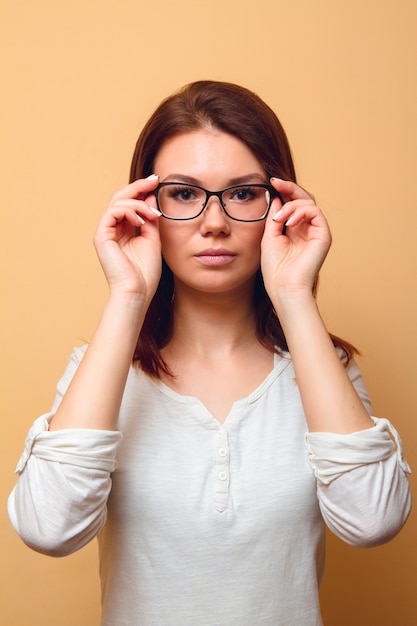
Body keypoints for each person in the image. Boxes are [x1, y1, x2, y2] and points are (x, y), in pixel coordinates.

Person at [8, 80, 411, 626]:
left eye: (243, 193)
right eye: (184, 193)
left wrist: (293, 294)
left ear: (280, 205)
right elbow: (48, 529)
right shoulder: (102, 374)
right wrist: (128, 295)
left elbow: (373, 521)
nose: (214, 223)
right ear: (146, 206)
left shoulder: (324, 374)